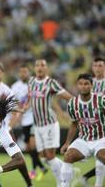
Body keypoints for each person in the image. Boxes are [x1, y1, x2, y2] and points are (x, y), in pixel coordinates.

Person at [27, 59, 73, 187]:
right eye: (37, 65)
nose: (39, 67)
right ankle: (67, 169)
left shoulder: (51, 83)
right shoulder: (31, 82)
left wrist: (76, 107)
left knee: (50, 155)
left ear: (47, 68)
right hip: (37, 125)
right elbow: (32, 100)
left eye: (42, 65)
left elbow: (68, 96)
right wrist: (21, 109)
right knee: (43, 157)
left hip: (49, 124)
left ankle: (62, 182)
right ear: (34, 68)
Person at [60, 73, 105, 187]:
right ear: (77, 86)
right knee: (68, 156)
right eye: (81, 84)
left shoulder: (101, 101)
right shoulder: (72, 104)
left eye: (86, 84)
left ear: (91, 85)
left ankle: (98, 184)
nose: (83, 86)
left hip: (101, 138)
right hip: (84, 139)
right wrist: (67, 143)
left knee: (102, 156)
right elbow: (74, 124)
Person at [11, 65, 47, 181]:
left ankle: (34, 169)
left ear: (29, 73)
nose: (23, 74)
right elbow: (14, 102)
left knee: (32, 145)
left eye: (25, 72)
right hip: (24, 119)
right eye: (21, 72)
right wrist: (17, 115)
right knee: (28, 148)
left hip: (35, 118)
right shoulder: (15, 86)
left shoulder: (35, 83)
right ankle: (41, 167)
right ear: (19, 73)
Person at [78, 57, 105, 186]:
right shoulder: (89, 83)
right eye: (96, 65)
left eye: (100, 65)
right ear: (92, 68)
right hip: (94, 126)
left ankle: (87, 178)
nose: (98, 68)